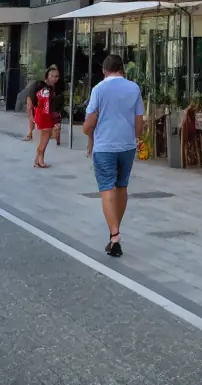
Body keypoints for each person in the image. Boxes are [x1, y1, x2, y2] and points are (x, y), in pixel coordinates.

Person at [82, 54, 144, 258]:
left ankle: (115, 235)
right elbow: (139, 120)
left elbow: (90, 122)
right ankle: (114, 231)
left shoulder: (99, 89)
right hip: (127, 145)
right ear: (122, 69)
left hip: (105, 146)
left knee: (107, 188)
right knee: (122, 186)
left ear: (104, 70)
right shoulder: (134, 88)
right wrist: (135, 138)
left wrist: (87, 133)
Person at [32, 65, 61, 169]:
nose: (54, 78)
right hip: (45, 116)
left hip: (42, 114)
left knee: (44, 139)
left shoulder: (46, 87)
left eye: (56, 76)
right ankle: (40, 160)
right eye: (52, 76)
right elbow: (47, 106)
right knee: (45, 139)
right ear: (47, 76)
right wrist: (55, 120)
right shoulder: (45, 89)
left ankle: (37, 160)